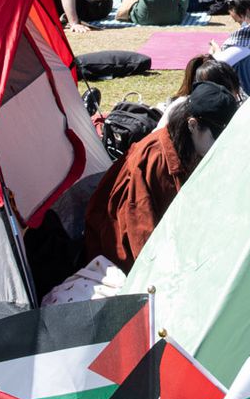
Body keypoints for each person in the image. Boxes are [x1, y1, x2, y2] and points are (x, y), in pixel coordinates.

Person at [82, 81, 238, 270]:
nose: (222, 146)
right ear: (193, 125)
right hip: (126, 262)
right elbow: (141, 242)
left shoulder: (192, 148)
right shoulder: (153, 161)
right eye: (218, 137)